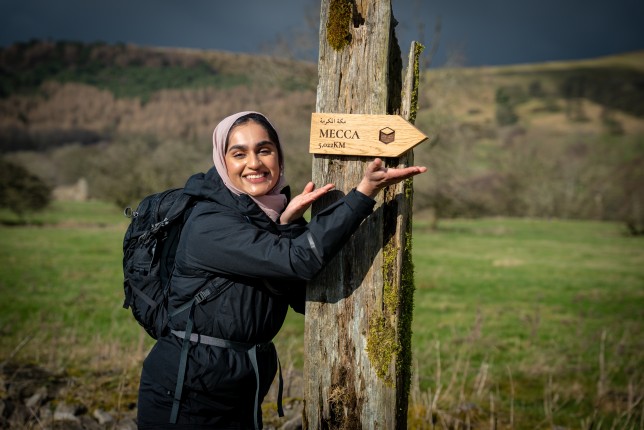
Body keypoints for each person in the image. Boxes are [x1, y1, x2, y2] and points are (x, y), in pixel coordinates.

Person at [136, 111, 427, 429]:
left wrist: (286, 223)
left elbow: (301, 296)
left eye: (264, 150)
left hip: (241, 388)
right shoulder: (211, 223)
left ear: (278, 155)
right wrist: (361, 196)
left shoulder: (260, 217)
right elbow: (297, 260)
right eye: (239, 153)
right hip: (185, 392)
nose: (254, 163)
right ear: (222, 162)